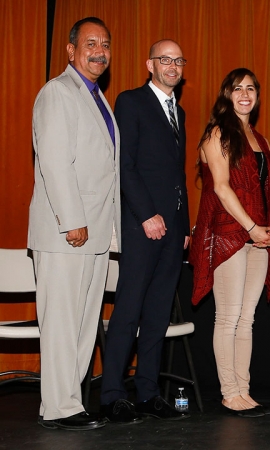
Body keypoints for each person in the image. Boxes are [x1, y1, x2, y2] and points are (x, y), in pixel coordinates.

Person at [28, 17, 120, 431]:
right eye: (90, 43)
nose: (99, 51)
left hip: (95, 234)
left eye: (105, 44)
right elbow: (54, 162)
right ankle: (60, 407)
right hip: (68, 232)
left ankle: (70, 403)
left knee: (84, 324)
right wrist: (73, 221)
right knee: (63, 323)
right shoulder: (57, 92)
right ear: (71, 50)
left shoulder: (98, 99)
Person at [99, 39, 190, 423]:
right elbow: (125, 165)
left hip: (174, 229)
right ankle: (113, 394)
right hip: (142, 226)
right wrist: (147, 215)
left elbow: (176, 175)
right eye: (165, 59)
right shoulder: (131, 101)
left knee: (157, 313)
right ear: (149, 63)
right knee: (129, 310)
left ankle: (149, 392)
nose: (172, 66)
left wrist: (183, 225)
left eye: (178, 60)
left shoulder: (179, 111)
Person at [190, 68, 270, 418]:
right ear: (226, 94)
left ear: (257, 95)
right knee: (228, 317)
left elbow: (267, 187)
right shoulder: (218, 133)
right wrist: (251, 227)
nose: (244, 94)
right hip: (229, 233)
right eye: (237, 88)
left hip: (260, 234)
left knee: (247, 319)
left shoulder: (261, 139)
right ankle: (229, 393)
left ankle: (243, 391)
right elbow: (222, 187)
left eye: (250, 88)